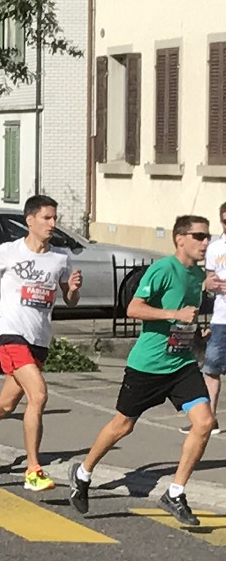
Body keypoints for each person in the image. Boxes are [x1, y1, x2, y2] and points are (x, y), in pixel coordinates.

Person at [68, 215, 215, 526]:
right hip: (148, 365)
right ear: (180, 239)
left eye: (207, 236)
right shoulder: (163, 269)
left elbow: (183, 321)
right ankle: (83, 473)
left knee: (204, 422)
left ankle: (175, 493)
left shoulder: (196, 275)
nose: (205, 242)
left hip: (181, 363)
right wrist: (173, 313)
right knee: (123, 425)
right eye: (199, 236)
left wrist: (196, 338)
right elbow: (133, 308)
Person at [0, 195, 82, 492]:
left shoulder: (60, 258)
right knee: (38, 395)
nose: (53, 223)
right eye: (47, 218)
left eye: (54, 218)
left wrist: (73, 289)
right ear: (30, 220)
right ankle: (33, 470)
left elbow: (70, 301)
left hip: (39, 339)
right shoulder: (10, 251)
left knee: (6, 404)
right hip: (10, 333)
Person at [193, 201, 226, 435]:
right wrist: (209, 284)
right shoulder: (215, 247)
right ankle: (209, 419)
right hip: (221, 317)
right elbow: (208, 280)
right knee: (211, 368)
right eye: (225, 220)